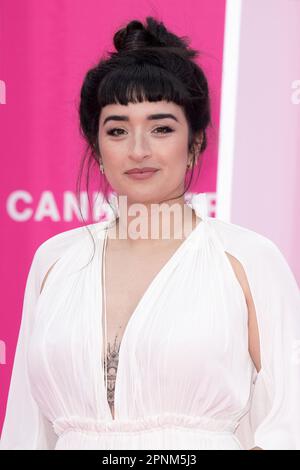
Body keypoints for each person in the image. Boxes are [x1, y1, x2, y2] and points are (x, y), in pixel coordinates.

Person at [1, 16, 300, 451]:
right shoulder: (54, 260)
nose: (138, 149)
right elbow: (26, 431)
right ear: (97, 147)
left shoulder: (247, 257)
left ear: (195, 143)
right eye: (117, 130)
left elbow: (291, 424)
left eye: (161, 128)